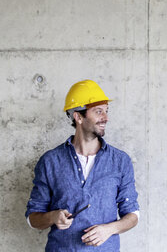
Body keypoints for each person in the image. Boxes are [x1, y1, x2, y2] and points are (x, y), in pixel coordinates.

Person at [25, 79, 139, 251]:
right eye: (98, 112)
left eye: (106, 111)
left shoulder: (120, 161)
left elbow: (133, 215)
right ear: (78, 117)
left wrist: (109, 229)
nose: (105, 118)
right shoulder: (50, 161)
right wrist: (53, 217)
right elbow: (32, 218)